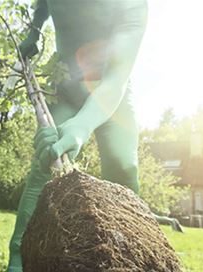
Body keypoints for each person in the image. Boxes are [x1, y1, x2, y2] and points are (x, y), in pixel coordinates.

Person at [8, 1, 148, 271]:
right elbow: (42, 4)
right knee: (46, 161)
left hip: (112, 95)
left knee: (123, 166)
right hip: (66, 88)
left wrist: (81, 126)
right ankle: (19, 259)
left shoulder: (133, 5)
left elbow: (116, 79)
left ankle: (132, 256)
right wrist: (34, 31)